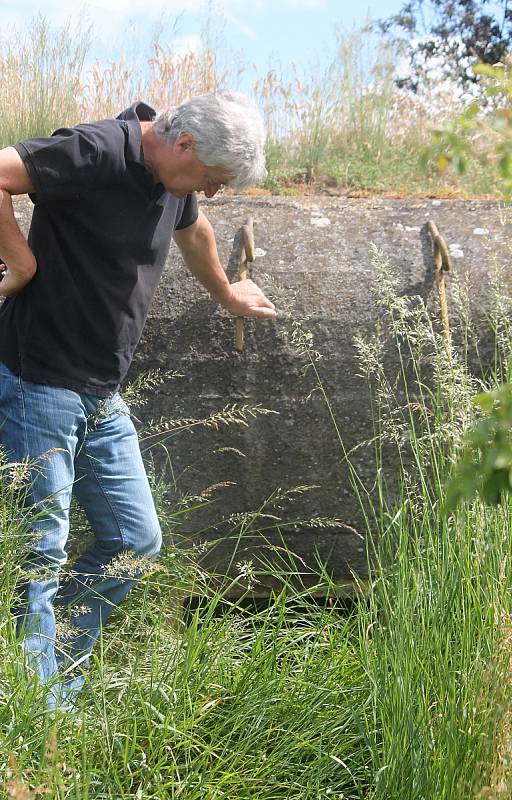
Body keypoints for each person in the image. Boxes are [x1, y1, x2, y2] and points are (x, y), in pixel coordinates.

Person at [0, 92, 276, 707]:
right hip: (39, 383)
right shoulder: (99, 150)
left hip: (102, 394)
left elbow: (195, 229)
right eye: (211, 178)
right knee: (37, 556)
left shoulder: (173, 182)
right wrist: (17, 262)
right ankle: (41, 721)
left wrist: (227, 294)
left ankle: (51, 677)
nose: (211, 192)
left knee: (133, 540)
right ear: (185, 146)